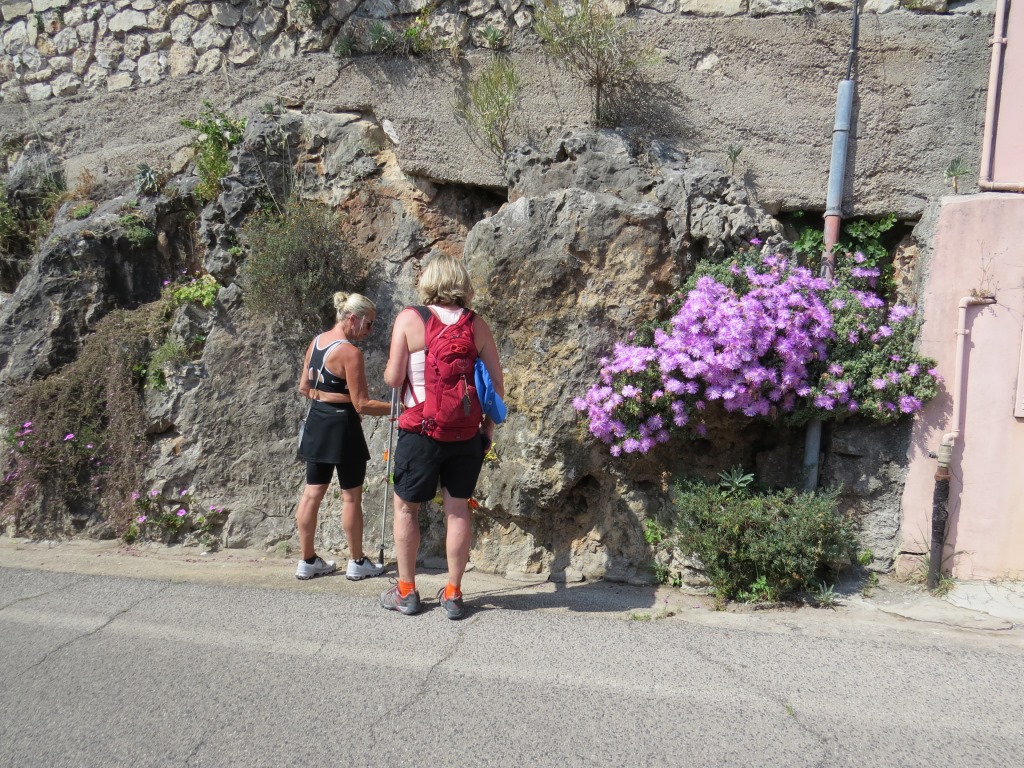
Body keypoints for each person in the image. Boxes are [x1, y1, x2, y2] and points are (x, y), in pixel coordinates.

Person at [380, 254, 504, 618]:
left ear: (428, 282)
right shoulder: (476, 324)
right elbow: (496, 385)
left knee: (406, 508)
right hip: (465, 434)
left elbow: (393, 378)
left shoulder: (410, 318)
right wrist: (486, 429)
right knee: (457, 510)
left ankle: (406, 591)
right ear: (462, 284)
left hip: (420, 430)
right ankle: (452, 593)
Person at [295, 292, 392, 581]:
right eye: (368, 323)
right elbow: (362, 404)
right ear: (352, 318)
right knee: (350, 498)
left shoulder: (317, 342)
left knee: (311, 493)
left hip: (317, 421)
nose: (369, 330)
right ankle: (357, 561)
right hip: (342, 426)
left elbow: (304, 388)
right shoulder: (350, 352)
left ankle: (307, 561)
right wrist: (399, 408)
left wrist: (328, 397)